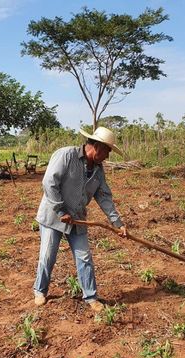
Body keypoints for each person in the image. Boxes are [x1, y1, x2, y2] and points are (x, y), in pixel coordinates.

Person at [33, 126, 127, 312]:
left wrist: (118, 223)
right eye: (107, 151)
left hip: (77, 218)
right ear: (97, 146)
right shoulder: (66, 155)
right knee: (47, 256)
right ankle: (40, 290)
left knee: (84, 257)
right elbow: (49, 183)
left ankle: (91, 297)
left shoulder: (98, 171)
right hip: (54, 216)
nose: (107, 156)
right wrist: (60, 211)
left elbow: (104, 197)